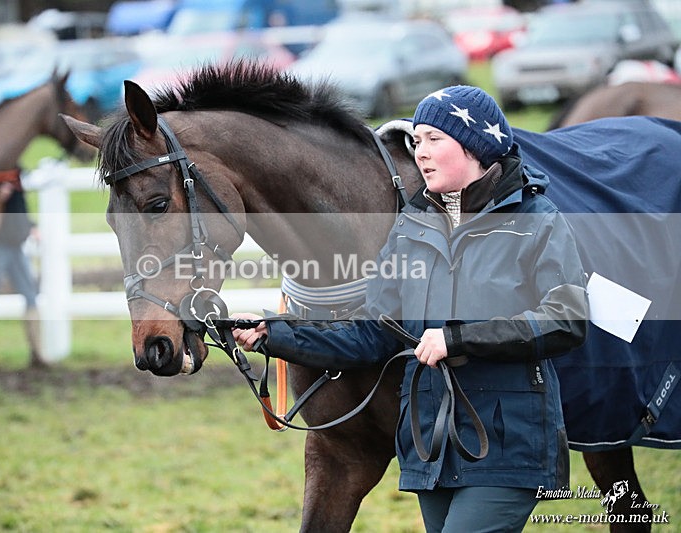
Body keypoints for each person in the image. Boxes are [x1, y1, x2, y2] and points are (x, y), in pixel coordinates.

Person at [232, 86, 588, 532]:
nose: (422, 152)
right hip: (430, 451)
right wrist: (276, 334)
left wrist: (457, 339)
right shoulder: (411, 228)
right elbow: (373, 333)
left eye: (435, 139)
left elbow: (567, 319)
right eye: (417, 141)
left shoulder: (535, 219)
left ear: (476, 145)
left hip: (504, 444)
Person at [0, 181, 46, 367]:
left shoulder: (14, 174)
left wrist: (30, 225)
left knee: (31, 296)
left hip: (15, 246)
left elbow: (18, 206)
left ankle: (37, 353)